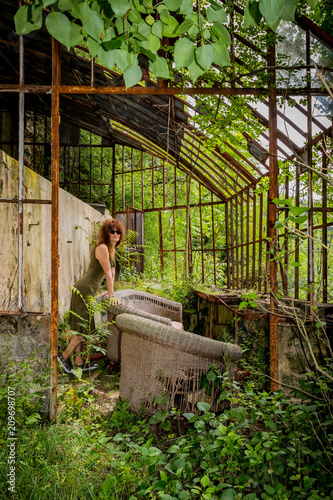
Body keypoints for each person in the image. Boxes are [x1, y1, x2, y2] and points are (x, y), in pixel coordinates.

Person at [58, 218, 125, 374]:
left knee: (80, 328)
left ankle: (79, 363)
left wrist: (108, 291)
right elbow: (108, 274)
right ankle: (63, 357)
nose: (115, 234)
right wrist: (113, 295)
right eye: (112, 231)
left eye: (118, 232)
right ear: (106, 233)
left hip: (87, 290)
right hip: (83, 289)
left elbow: (112, 275)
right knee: (83, 330)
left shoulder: (111, 250)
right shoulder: (102, 247)